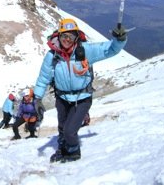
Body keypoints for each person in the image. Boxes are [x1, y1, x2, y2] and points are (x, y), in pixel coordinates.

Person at [34, 18, 127, 163]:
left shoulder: (85, 51)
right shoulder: (52, 56)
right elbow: (44, 77)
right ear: (58, 36)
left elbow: (110, 49)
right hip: (62, 98)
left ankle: (73, 152)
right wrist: (37, 98)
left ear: (77, 37)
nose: (67, 40)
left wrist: (119, 39)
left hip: (82, 97)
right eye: (64, 36)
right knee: (62, 127)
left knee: (70, 131)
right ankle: (62, 148)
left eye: (71, 36)